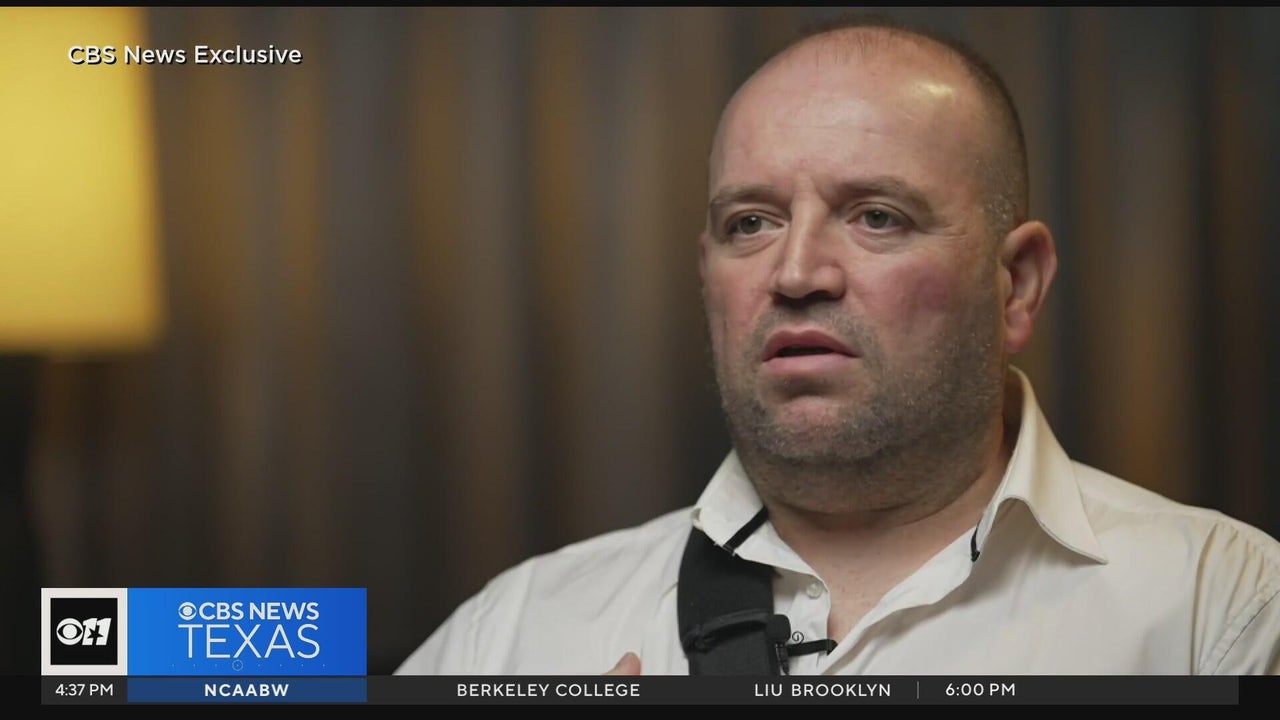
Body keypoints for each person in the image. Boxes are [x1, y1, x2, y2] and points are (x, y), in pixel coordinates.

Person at [397, 17, 1280, 675]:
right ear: (707, 277)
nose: (795, 273)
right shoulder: (516, 634)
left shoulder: (1225, 611)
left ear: (1015, 285)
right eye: (751, 223)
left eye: (877, 217)